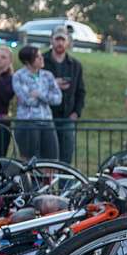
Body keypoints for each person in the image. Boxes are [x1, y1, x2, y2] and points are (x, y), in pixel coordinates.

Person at [41, 26, 86, 163]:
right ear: (51, 40)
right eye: (57, 39)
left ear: (68, 42)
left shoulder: (75, 65)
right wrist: (54, 84)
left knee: (66, 158)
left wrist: (76, 113)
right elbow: (33, 86)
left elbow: (81, 91)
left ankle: (64, 185)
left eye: (63, 39)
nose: (60, 43)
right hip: (46, 116)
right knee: (46, 157)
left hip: (67, 117)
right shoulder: (41, 60)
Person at [11, 45, 61, 161]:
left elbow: (58, 98)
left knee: (51, 159)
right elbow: (27, 100)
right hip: (27, 122)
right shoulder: (18, 76)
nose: (41, 58)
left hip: (47, 121)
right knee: (28, 159)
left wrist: (39, 94)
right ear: (27, 61)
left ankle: (47, 179)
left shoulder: (48, 75)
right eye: (37, 57)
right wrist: (46, 96)